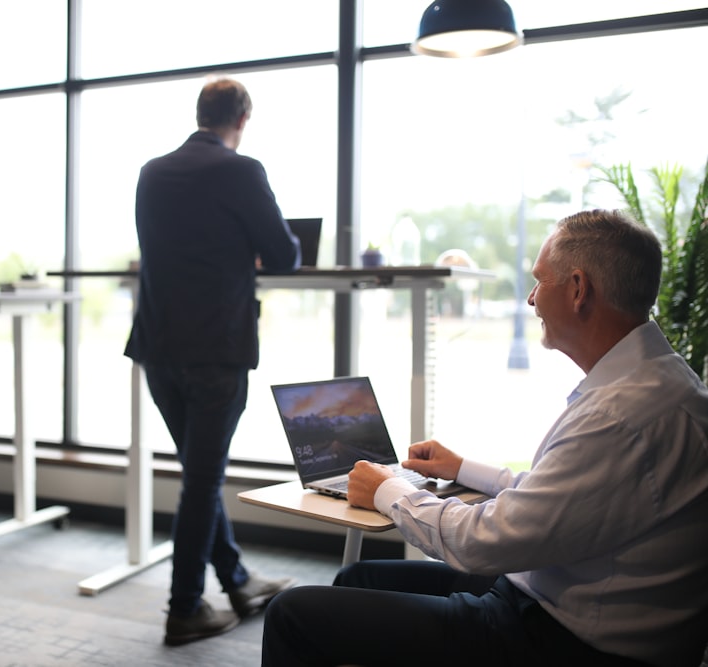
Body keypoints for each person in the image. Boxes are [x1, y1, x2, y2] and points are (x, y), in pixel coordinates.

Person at [262, 209, 708, 667]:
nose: (532, 299)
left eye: (540, 281)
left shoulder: (620, 416)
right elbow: (560, 503)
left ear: (578, 289)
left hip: (560, 639)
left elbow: (485, 542)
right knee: (359, 578)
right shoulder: (658, 382)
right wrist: (462, 471)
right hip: (557, 594)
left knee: (291, 613)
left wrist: (387, 491)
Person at [124, 77, 302, 646]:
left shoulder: (152, 172)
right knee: (201, 483)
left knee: (200, 475)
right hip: (215, 351)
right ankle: (184, 609)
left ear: (201, 113)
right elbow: (283, 255)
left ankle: (238, 581)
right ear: (242, 119)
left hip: (157, 347)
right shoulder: (241, 171)